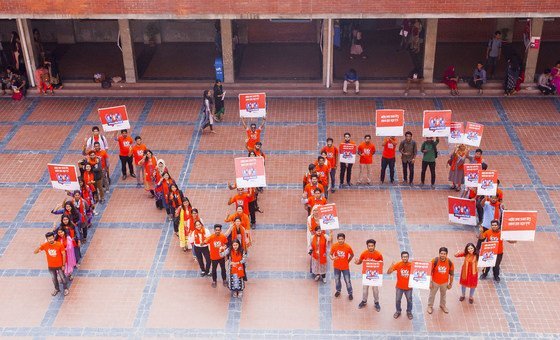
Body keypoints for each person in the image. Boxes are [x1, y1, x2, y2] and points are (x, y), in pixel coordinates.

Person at [34, 231, 69, 296]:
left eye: (52, 238)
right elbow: (35, 252)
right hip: (51, 266)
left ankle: (65, 289)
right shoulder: (45, 245)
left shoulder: (59, 244)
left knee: (62, 277)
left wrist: (63, 265)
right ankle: (57, 289)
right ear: (47, 239)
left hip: (60, 265)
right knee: (54, 278)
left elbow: (64, 255)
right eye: (49, 239)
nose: (51, 240)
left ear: (54, 237)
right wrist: (40, 246)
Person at [355, 239, 383, 311]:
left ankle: (376, 302)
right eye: (369, 246)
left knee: (375, 290)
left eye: (372, 246)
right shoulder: (364, 253)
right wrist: (357, 262)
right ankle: (364, 301)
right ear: (367, 246)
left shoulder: (379, 255)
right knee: (365, 290)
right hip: (366, 275)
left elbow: (381, 264)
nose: (370, 247)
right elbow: (360, 262)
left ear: (374, 246)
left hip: (375, 276)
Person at [387, 251, 413, 320]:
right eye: (403, 257)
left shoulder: (411, 265)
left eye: (406, 257)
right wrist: (391, 265)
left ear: (408, 257)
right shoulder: (398, 264)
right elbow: (388, 272)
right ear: (401, 257)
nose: (405, 258)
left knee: (409, 300)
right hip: (399, 287)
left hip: (409, 287)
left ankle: (409, 312)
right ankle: (398, 311)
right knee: (398, 300)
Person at [427, 247, 454, 314]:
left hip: (444, 283)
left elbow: (451, 274)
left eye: (444, 254)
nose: (442, 255)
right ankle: (430, 306)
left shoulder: (450, 262)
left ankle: (442, 305)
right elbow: (429, 271)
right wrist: (430, 282)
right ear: (439, 253)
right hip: (434, 282)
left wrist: (450, 284)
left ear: (446, 254)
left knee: (443, 295)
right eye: (441, 253)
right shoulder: (434, 261)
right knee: (432, 295)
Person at [330, 233, 354, 300]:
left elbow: (352, 255)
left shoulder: (348, 247)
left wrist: (348, 261)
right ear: (337, 239)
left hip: (345, 267)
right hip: (336, 266)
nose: (340, 240)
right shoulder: (334, 246)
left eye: (342, 239)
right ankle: (338, 290)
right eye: (339, 239)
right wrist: (332, 258)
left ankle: (350, 292)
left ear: (344, 239)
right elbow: (330, 254)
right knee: (337, 279)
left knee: (347, 280)